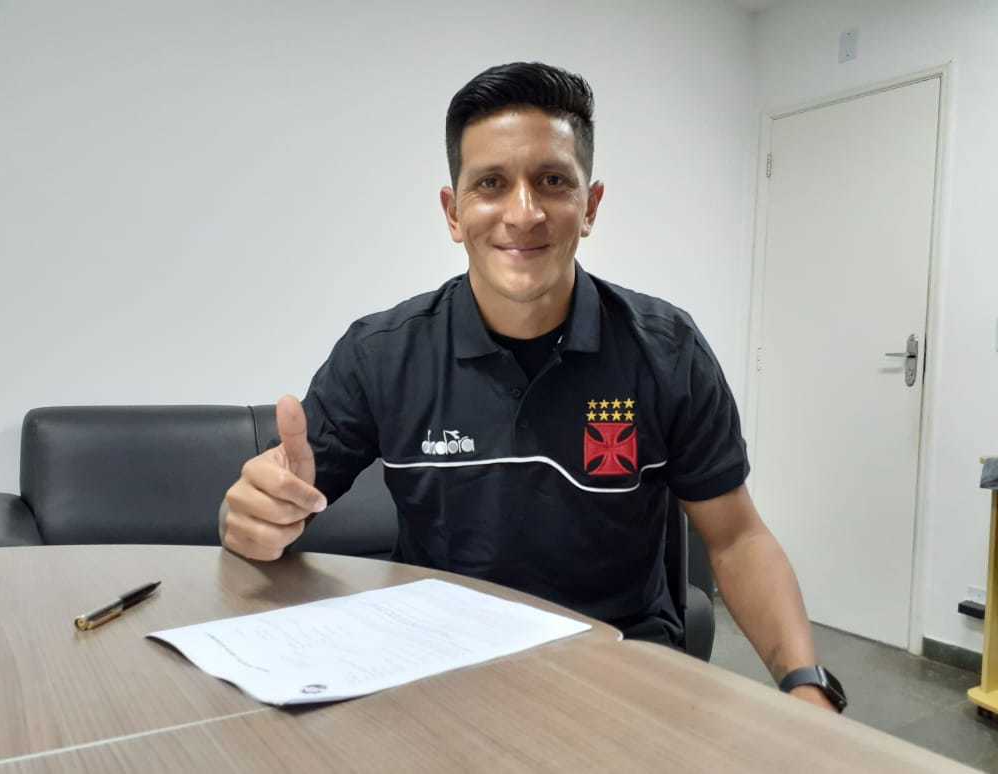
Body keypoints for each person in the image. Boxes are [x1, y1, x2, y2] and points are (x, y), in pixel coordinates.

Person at [220, 62, 845, 713]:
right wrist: (248, 516)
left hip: (619, 666)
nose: (523, 214)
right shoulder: (381, 355)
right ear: (454, 212)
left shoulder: (666, 351)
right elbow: (263, 514)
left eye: (552, 181)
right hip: (441, 669)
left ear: (590, 206)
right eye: (491, 183)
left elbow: (737, 539)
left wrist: (807, 682)